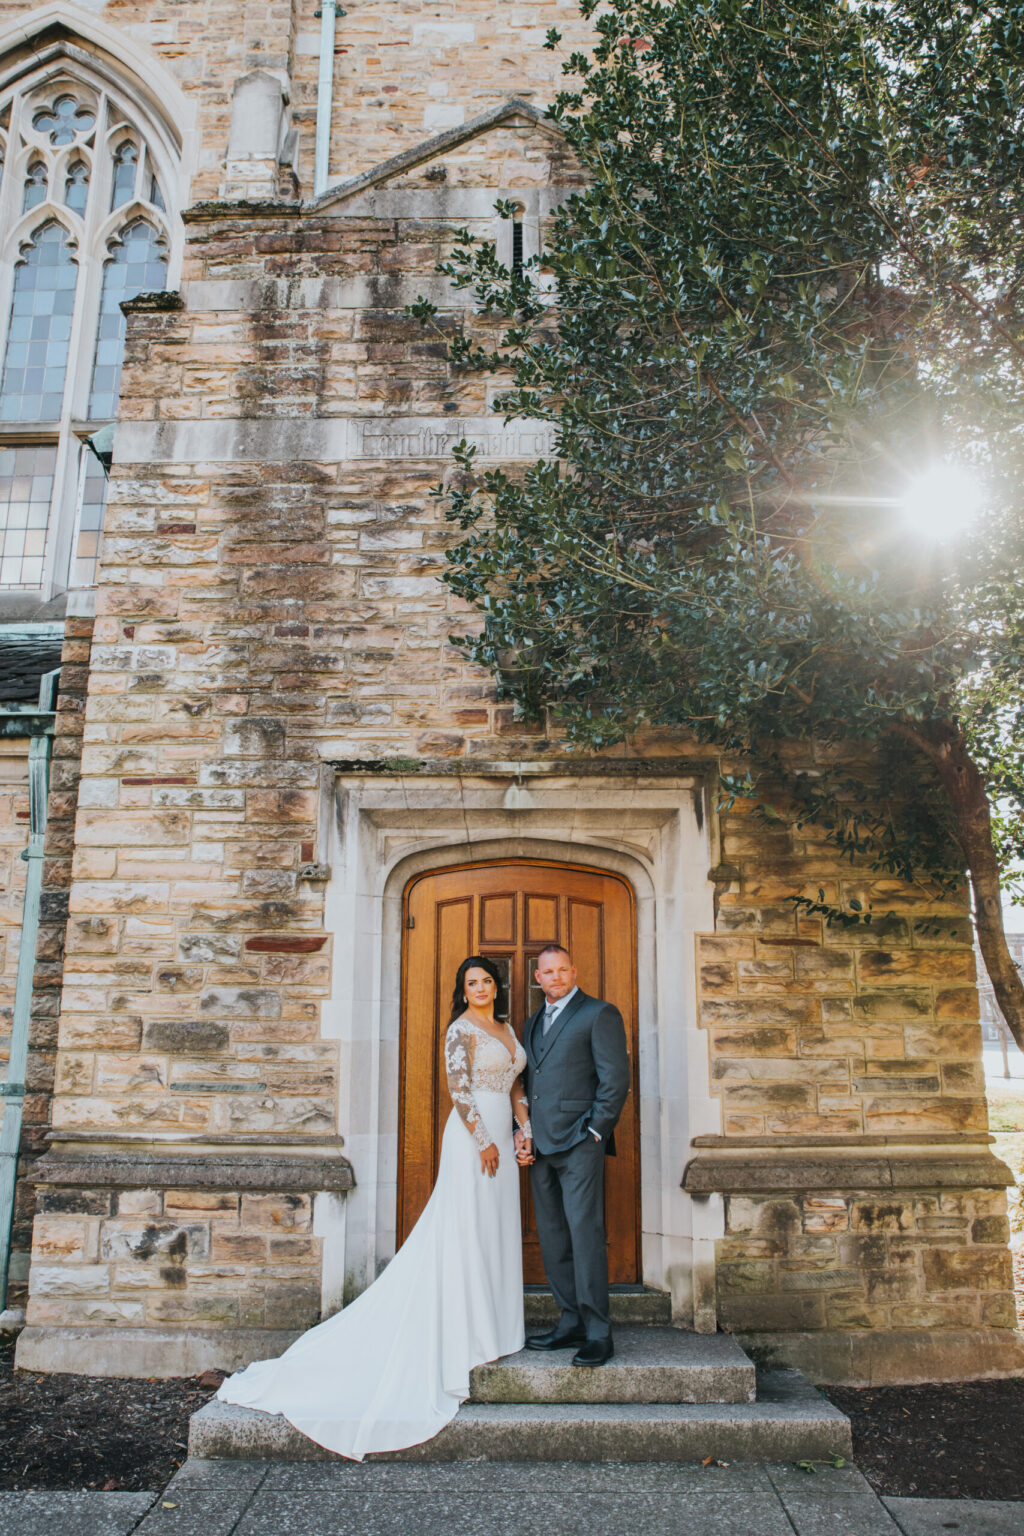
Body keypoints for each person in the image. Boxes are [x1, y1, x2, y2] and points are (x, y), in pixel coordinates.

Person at [216, 955, 530, 1460]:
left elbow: (516, 1085)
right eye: (471, 982)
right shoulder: (460, 1030)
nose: (480, 988)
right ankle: (466, 1327)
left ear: (497, 986)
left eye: (487, 981)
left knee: (495, 1228)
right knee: (466, 1227)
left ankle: (497, 1323)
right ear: (462, 988)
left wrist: (524, 1133)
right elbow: (459, 1091)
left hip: (505, 1138)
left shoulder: (508, 1028)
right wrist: (485, 1142)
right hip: (472, 1140)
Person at [515, 943, 630, 1366]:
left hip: (581, 1143)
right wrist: (522, 1133)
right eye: (547, 972)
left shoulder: (599, 1014)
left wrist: (595, 1133)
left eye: (562, 970)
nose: (556, 977)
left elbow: (615, 1080)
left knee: (584, 1234)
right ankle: (570, 1321)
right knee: (552, 1235)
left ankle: (599, 1331)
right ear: (537, 978)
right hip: (540, 1146)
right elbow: (526, 1084)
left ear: (574, 971)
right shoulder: (530, 1024)